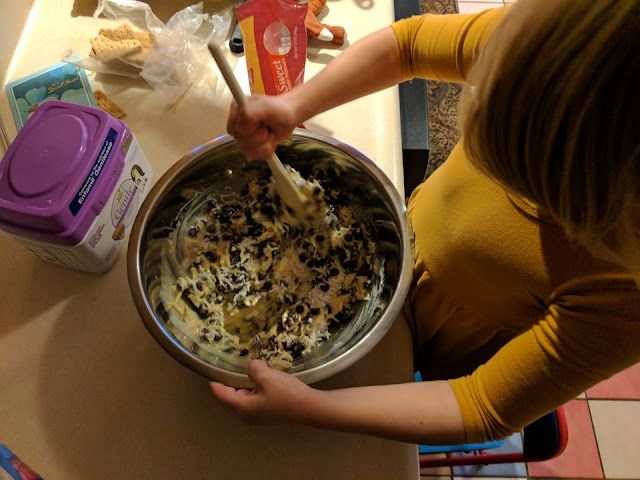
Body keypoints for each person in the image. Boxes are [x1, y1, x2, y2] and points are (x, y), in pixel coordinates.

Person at [210, 0, 640, 446]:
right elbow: (409, 46)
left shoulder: (626, 295)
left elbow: (480, 405)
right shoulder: (563, 37)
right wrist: (295, 104)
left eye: (530, 185)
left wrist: (309, 408)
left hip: (446, 346)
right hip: (411, 239)